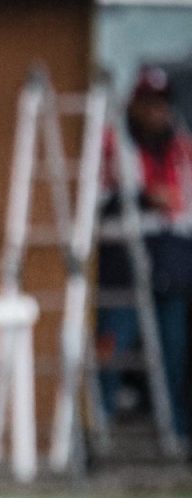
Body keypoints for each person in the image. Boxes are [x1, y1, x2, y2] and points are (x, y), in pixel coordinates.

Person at [97, 64, 192, 443]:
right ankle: (100, 423)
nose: (156, 111)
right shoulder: (114, 142)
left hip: (173, 265)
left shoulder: (182, 147)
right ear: (134, 105)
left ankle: (175, 432)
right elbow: (97, 201)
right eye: (148, 103)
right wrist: (141, 197)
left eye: (161, 103)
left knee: (173, 353)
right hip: (123, 265)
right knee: (111, 346)